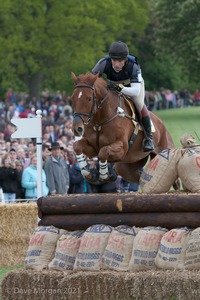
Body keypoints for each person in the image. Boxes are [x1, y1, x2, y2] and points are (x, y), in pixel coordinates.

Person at [92, 41, 155, 152]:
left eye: (120, 61)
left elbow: (135, 92)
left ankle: (148, 137)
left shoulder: (133, 66)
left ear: (125, 60)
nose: (116, 64)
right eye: (114, 60)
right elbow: (91, 80)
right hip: (112, 86)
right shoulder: (103, 63)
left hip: (132, 87)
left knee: (139, 104)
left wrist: (119, 87)